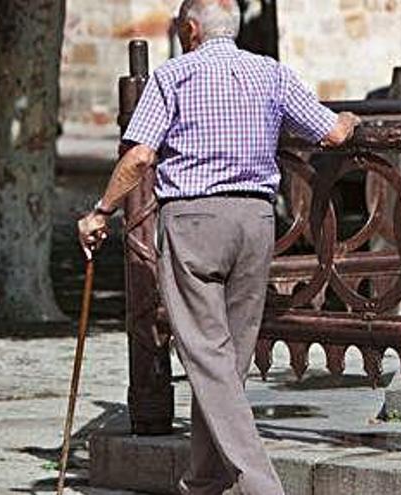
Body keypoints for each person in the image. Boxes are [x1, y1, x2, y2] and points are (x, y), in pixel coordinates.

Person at [78, 1, 360, 493]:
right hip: (254, 222)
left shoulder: (173, 76)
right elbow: (333, 132)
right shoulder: (271, 73)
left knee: (209, 359)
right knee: (228, 361)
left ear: (190, 29)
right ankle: (203, 482)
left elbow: (141, 155)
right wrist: (353, 120)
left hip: (193, 221)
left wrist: (101, 211)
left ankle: (260, 485)